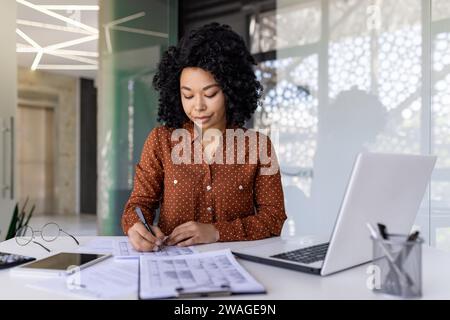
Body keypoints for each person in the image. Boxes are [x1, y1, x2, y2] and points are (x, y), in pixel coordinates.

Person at [121, 22, 286, 252]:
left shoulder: (259, 147)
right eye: (187, 95)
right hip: (173, 264)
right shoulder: (161, 141)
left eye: (210, 94)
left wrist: (217, 232)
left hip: (238, 264)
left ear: (230, 90)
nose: (198, 106)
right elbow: (139, 205)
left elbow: (273, 218)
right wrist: (135, 225)